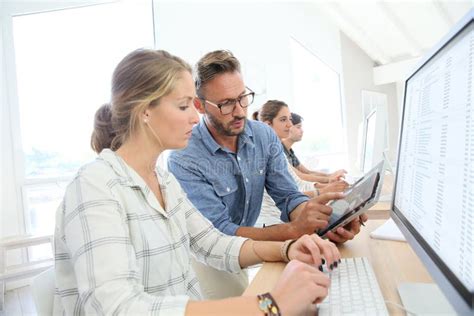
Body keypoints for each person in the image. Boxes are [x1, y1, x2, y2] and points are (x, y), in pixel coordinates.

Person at [53, 48, 340, 315]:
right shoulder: (95, 186)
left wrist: (288, 248)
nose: (194, 117)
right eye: (183, 106)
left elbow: (214, 243)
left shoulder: (163, 181)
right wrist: (270, 305)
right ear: (144, 110)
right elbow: (119, 307)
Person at [167, 50, 358, 298]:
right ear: (199, 105)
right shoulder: (184, 158)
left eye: (243, 97)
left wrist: (324, 223)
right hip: (208, 256)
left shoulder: (262, 136)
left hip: (247, 242)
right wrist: (292, 232)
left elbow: (288, 196)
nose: (239, 111)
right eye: (226, 104)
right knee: (240, 301)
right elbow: (220, 233)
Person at [252, 100, 351, 227]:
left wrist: (327, 187)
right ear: (268, 125)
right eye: (283, 120)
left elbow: (298, 183)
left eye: (290, 119)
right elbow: (288, 193)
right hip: (273, 222)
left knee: (340, 220)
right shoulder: (263, 153)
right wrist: (324, 190)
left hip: (283, 218)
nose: (289, 125)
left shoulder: (275, 151)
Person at [282, 112, 347, 184]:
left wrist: (330, 175)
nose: (302, 131)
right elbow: (300, 176)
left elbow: (307, 172)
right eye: (298, 127)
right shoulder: (280, 151)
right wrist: (329, 179)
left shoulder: (289, 151)